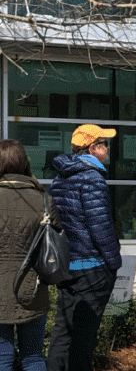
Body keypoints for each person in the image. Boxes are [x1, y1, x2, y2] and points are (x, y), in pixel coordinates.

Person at [48, 124, 122, 371]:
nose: (108, 148)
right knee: (84, 338)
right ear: (92, 148)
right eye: (104, 144)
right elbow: (101, 227)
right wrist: (114, 263)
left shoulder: (60, 178)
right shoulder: (92, 178)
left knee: (62, 331)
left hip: (67, 265)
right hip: (92, 268)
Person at [0, 140, 59, 371]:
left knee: (2, 358)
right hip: (33, 288)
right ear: (25, 163)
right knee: (33, 357)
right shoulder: (44, 199)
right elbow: (57, 238)